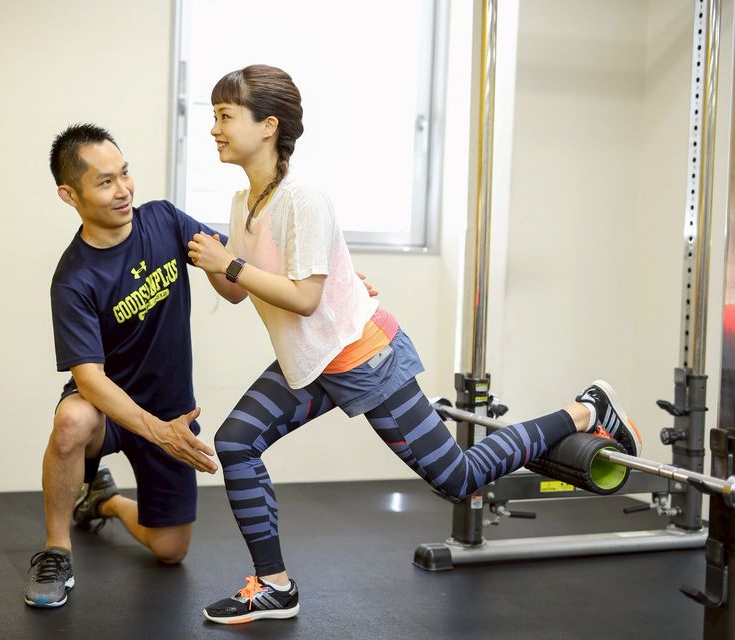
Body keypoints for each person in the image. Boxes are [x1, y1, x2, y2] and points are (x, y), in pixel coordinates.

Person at [186, 64, 644, 625]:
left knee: (458, 478)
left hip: (363, 357)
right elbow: (239, 293)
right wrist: (213, 263)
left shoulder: (304, 198)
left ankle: (585, 410)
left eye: (225, 116)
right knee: (236, 443)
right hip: (310, 360)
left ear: (267, 126)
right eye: (214, 116)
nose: (214, 128)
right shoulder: (244, 203)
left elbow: (304, 298)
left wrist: (229, 263)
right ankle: (275, 586)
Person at [23, 124, 221, 608]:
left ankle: (102, 500)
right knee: (72, 420)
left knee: (171, 551)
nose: (124, 190)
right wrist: (157, 432)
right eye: (105, 182)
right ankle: (56, 550)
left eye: (125, 173)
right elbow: (89, 380)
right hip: (109, 410)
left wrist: (317, 283)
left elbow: (237, 283)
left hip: (171, 411)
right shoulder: (74, 279)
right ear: (70, 195)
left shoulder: (165, 220)